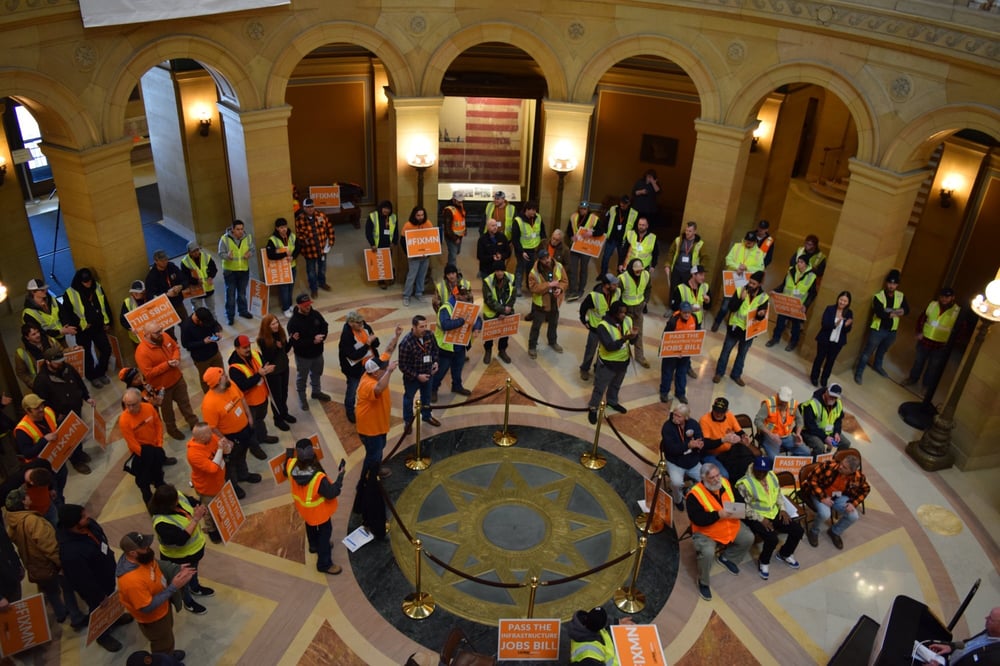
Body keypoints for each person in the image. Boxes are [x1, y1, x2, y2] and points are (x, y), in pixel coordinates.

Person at [5, 486, 87, 628]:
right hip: (47, 563)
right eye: (27, 496)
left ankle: (61, 614)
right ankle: (76, 617)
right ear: (24, 502)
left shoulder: (12, 521)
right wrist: (61, 563)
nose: (30, 497)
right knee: (66, 586)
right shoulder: (33, 521)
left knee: (51, 591)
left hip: (33, 564)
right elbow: (48, 545)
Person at [56, 504, 134, 652]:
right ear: (74, 524)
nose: (88, 517)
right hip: (95, 587)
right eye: (84, 517)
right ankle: (102, 635)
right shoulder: (71, 552)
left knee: (111, 599)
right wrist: (98, 596)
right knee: (98, 609)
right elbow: (82, 580)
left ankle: (115, 618)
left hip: (106, 574)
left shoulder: (89, 526)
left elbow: (100, 537)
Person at [116, 531, 193, 661]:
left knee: (167, 636)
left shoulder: (143, 557)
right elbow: (146, 607)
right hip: (154, 619)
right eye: (145, 548)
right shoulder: (131, 581)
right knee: (161, 643)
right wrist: (173, 587)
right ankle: (165, 660)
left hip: (163, 606)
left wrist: (175, 568)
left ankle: (169, 653)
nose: (149, 549)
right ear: (133, 553)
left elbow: (155, 564)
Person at [686, 463, 754, 602]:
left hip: (729, 524)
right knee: (707, 553)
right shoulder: (694, 495)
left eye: (718, 475)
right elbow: (697, 519)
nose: (717, 479)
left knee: (748, 538)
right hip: (706, 531)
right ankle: (703, 582)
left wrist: (741, 510)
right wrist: (718, 515)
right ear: (703, 479)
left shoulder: (726, 483)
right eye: (712, 478)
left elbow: (737, 500)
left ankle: (728, 558)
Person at [200, 367, 265, 500]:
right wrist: (225, 440)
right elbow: (212, 427)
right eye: (223, 375)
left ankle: (244, 475)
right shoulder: (209, 404)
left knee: (242, 455)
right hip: (230, 437)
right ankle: (233, 485)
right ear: (217, 382)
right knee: (230, 463)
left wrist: (249, 416)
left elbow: (242, 399)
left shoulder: (231, 385)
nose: (226, 376)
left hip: (244, 429)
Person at [148, 484, 214, 615]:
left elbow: (189, 500)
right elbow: (180, 539)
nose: (178, 500)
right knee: (183, 581)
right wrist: (196, 518)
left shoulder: (176, 495)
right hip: (179, 558)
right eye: (175, 500)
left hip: (194, 551)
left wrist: (199, 506)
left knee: (193, 572)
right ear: (167, 504)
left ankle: (195, 588)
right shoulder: (161, 522)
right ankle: (188, 602)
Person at [734, 456, 804, 580]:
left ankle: (785, 553)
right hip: (755, 516)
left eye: (764, 472)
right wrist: (761, 519)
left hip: (774, 512)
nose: (761, 474)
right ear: (754, 468)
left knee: (798, 530)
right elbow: (744, 507)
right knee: (772, 539)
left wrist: (782, 509)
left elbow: (777, 494)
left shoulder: (771, 476)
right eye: (758, 471)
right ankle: (764, 561)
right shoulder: (744, 483)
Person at [286, 438, 346, 575]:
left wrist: (289, 451)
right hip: (319, 512)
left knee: (310, 526)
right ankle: (324, 564)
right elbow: (332, 493)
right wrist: (341, 476)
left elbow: (287, 462)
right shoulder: (318, 477)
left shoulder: (290, 465)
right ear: (312, 453)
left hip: (304, 510)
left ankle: (313, 546)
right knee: (325, 534)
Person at [32, 346, 94, 474]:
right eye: (57, 361)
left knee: (77, 434)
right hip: (61, 415)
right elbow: (42, 402)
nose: (61, 363)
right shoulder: (42, 380)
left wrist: (86, 397)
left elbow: (79, 382)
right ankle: (76, 461)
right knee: (68, 439)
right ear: (48, 362)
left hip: (76, 407)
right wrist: (55, 414)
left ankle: (80, 452)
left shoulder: (67, 368)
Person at [135, 323, 199, 440]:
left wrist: (175, 358)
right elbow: (148, 373)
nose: (161, 333)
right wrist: (167, 365)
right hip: (161, 388)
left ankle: (193, 423)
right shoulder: (141, 352)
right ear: (147, 335)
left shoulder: (165, 336)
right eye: (157, 332)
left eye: (161, 330)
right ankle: (172, 430)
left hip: (177, 379)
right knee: (167, 412)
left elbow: (175, 347)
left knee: (185, 404)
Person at [713, 270, 769, 386]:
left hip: (748, 332)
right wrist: (740, 299)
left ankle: (736, 375)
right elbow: (731, 308)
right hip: (735, 327)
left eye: (754, 284)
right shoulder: (740, 290)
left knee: (742, 354)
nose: (750, 285)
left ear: (759, 284)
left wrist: (761, 314)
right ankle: (719, 373)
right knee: (725, 351)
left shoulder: (764, 297)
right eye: (750, 282)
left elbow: (760, 316)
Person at [801, 455, 869, 549]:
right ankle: (814, 531)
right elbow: (811, 480)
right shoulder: (828, 465)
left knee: (853, 516)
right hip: (819, 493)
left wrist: (853, 503)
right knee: (825, 514)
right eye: (841, 464)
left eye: (845, 467)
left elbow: (866, 489)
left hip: (838, 496)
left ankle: (834, 531)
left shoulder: (858, 477)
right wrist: (823, 497)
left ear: (851, 471)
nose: (840, 467)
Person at [855, 269, 909, 384]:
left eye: (894, 284)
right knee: (867, 352)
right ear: (886, 283)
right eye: (890, 283)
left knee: (882, 350)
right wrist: (896, 312)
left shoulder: (900, 296)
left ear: (897, 285)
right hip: (878, 329)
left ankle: (877, 366)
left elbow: (906, 310)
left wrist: (891, 313)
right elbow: (880, 313)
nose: (891, 286)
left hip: (892, 331)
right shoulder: (878, 296)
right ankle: (859, 372)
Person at [586, 301, 637, 424]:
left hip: (623, 361)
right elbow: (609, 346)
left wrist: (634, 336)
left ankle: (612, 402)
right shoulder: (603, 326)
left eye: (625, 312)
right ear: (614, 313)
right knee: (600, 388)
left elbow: (632, 342)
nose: (624, 315)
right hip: (607, 364)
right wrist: (624, 338)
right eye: (621, 313)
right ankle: (593, 408)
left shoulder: (628, 320)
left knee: (615, 385)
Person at [62, 267, 113, 387]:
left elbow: (104, 304)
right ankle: (92, 376)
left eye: (90, 281)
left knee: (106, 349)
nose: (88, 284)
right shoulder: (70, 293)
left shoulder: (97, 287)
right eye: (85, 282)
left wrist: (107, 321)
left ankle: (100, 372)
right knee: (87, 355)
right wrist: (78, 325)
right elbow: (67, 312)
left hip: (98, 326)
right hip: (83, 330)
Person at [14, 394, 70, 499]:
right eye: (36, 408)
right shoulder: (22, 430)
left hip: (57, 459)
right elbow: (27, 454)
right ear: (28, 411)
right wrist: (44, 440)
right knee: (54, 496)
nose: (41, 409)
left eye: (41, 405)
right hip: (42, 468)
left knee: (61, 487)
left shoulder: (48, 411)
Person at [905, 287, 960, 391]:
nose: (944, 299)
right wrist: (918, 332)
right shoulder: (933, 305)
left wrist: (952, 343)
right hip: (925, 340)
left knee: (933, 367)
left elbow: (960, 330)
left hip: (941, 345)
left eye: (947, 297)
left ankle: (926, 385)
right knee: (918, 362)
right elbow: (922, 319)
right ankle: (912, 379)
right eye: (942, 296)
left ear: (952, 298)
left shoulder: (956, 311)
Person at [120, 388, 170, 503]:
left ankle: (160, 486)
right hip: (141, 453)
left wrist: (159, 444)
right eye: (128, 405)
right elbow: (132, 443)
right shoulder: (124, 420)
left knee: (158, 472)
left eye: (133, 405)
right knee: (143, 479)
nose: (130, 408)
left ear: (140, 401)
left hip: (155, 447)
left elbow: (158, 425)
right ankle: (148, 498)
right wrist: (147, 455)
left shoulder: (148, 407)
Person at [228, 334, 279, 445]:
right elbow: (242, 386)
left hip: (262, 396)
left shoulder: (255, 354)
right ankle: (254, 447)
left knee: (260, 420)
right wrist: (259, 374)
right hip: (250, 403)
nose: (248, 349)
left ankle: (262, 436)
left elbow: (264, 365)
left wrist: (268, 369)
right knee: (250, 426)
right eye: (244, 348)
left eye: (248, 346)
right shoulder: (234, 368)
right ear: (237, 349)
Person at [711, 232, 766, 332]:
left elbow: (760, 268)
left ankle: (731, 323)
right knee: (725, 305)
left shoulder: (759, 253)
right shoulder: (737, 246)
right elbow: (728, 259)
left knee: (739, 304)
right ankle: (717, 321)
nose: (747, 243)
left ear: (755, 242)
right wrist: (737, 267)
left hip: (746, 284)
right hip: (732, 280)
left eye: (750, 242)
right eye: (746, 241)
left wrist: (747, 268)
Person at [186, 423, 229, 545]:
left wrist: (225, 447)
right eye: (209, 433)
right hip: (207, 487)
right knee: (209, 510)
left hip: (219, 481)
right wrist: (220, 449)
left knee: (221, 503)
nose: (213, 434)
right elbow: (212, 469)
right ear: (201, 437)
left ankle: (221, 524)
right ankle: (212, 530)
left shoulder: (211, 438)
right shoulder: (193, 454)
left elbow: (225, 453)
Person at [287, 293, 332, 410]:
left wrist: (322, 336)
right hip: (303, 357)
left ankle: (316, 392)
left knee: (317, 374)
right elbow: (296, 343)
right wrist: (313, 340)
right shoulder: (293, 323)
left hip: (318, 354)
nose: (308, 307)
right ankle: (302, 399)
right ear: (298, 305)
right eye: (305, 305)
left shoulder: (315, 314)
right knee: (302, 378)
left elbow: (324, 325)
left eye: (309, 304)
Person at [398, 315, 441, 434]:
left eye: (425, 326)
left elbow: (435, 350)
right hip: (412, 379)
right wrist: (417, 376)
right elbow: (403, 366)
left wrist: (436, 362)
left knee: (426, 397)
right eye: (421, 326)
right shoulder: (406, 343)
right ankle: (408, 421)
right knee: (408, 399)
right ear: (414, 327)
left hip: (428, 374)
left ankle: (426, 416)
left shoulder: (429, 335)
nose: (424, 329)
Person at [357, 357, 399, 477]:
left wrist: (396, 337)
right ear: (375, 372)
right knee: (373, 454)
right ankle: (367, 478)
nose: (385, 371)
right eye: (384, 370)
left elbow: (388, 351)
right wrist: (389, 371)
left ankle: (376, 468)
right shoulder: (367, 384)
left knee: (379, 449)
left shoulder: (373, 375)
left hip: (379, 425)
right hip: (370, 429)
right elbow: (379, 388)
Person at [766, 255, 817, 351]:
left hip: (798, 306)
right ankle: (775, 338)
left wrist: (805, 305)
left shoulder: (811, 276)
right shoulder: (791, 271)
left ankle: (793, 342)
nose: (799, 264)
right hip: (786, 302)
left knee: (796, 326)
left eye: (801, 262)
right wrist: (775, 291)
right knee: (780, 322)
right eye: (798, 262)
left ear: (806, 264)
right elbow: (783, 285)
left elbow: (812, 294)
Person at [432, 287, 475, 401]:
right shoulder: (446, 308)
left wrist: (477, 327)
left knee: (458, 368)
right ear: (456, 296)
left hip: (460, 345)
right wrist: (461, 321)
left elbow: (476, 319)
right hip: (446, 347)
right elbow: (445, 325)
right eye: (463, 295)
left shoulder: (465, 305)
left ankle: (457, 386)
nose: (466, 298)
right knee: (441, 371)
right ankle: (433, 389)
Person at [659, 401, 704, 508]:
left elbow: (700, 436)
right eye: (674, 414)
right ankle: (678, 499)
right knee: (676, 483)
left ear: (686, 417)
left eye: (679, 416)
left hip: (692, 461)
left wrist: (700, 444)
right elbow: (671, 449)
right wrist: (688, 445)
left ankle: (691, 492)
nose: (675, 418)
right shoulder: (667, 427)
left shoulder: (693, 424)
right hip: (675, 462)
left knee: (706, 479)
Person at [698, 396, 755, 481]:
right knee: (724, 475)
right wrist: (723, 440)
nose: (718, 414)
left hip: (728, 451)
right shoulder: (704, 420)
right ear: (712, 408)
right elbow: (706, 444)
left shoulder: (730, 415)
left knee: (744, 464)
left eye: (721, 412)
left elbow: (738, 430)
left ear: (726, 411)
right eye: (716, 411)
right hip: (711, 454)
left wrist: (744, 436)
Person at [338, 311, 379, 424]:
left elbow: (376, 343)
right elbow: (353, 355)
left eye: (362, 322)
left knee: (370, 386)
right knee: (352, 389)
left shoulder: (364, 326)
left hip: (369, 365)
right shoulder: (346, 335)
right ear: (351, 323)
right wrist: (367, 344)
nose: (362, 324)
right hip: (355, 369)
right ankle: (350, 410)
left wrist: (373, 341)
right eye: (358, 323)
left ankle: (369, 406)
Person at [527, 250, 568, 360]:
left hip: (554, 301)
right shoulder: (534, 272)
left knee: (553, 323)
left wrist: (560, 288)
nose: (547, 260)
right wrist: (548, 285)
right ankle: (532, 346)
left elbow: (564, 281)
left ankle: (552, 341)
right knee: (536, 326)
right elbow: (533, 288)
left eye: (548, 257)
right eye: (544, 259)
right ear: (539, 260)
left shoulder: (558, 266)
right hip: (541, 304)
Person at [257, 314, 295, 431]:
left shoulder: (280, 333)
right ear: (267, 326)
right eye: (273, 324)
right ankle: (278, 419)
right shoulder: (262, 340)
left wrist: (292, 340)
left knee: (284, 392)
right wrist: (276, 347)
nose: (276, 325)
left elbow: (285, 350)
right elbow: (268, 358)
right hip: (273, 372)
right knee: (276, 396)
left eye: (277, 322)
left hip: (284, 367)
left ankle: (284, 413)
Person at [578, 274, 620, 380]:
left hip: (609, 328)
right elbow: (583, 308)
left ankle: (598, 368)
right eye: (614, 284)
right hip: (595, 328)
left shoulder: (617, 292)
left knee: (604, 350)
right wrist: (584, 320)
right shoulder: (593, 296)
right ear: (606, 285)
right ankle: (584, 369)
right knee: (590, 350)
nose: (616, 286)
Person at [810, 291, 853, 388]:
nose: (842, 302)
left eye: (845, 301)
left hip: (837, 342)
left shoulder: (849, 313)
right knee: (819, 358)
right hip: (825, 339)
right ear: (838, 299)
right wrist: (836, 324)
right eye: (841, 300)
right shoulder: (830, 309)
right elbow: (824, 324)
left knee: (830, 361)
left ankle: (824, 379)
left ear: (848, 302)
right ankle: (814, 377)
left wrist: (846, 325)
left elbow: (848, 330)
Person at [928, 607, 1000, 663]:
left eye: (990, 618)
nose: (986, 618)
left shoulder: (995, 658)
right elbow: (968, 643)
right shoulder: (989, 631)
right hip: (947, 658)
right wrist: (951, 647)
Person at [754, 386, 811, 458]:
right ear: (778, 395)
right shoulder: (769, 404)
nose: (784, 403)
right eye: (782, 400)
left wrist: (798, 434)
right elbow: (757, 420)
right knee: (775, 459)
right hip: (771, 437)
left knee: (806, 452)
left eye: (785, 401)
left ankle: (790, 463)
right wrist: (770, 434)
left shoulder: (793, 404)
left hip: (787, 436)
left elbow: (799, 419)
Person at [659, 302, 699, 404]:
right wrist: (673, 351)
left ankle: (680, 393)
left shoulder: (694, 318)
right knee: (667, 373)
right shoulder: (673, 321)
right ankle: (664, 392)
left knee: (681, 373)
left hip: (685, 353)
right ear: (680, 312)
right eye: (685, 312)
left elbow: (697, 334)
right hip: (672, 353)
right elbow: (665, 337)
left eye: (689, 312)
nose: (687, 315)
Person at [295, 198, 335, 298]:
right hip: (309, 252)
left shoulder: (321, 215)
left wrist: (330, 241)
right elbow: (298, 235)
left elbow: (330, 228)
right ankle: (314, 289)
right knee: (311, 272)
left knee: (322, 269)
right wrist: (305, 239)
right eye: (308, 207)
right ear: (304, 208)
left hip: (322, 249)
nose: (310, 209)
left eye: (312, 206)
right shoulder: (299, 220)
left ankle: (322, 283)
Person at [218, 219, 255, 324]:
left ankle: (243, 311)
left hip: (243, 270)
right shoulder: (224, 239)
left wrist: (249, 254)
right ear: (232, 229)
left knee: (242, 293)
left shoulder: (248, 237)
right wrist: (227, 256)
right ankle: (230, 315)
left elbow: (252, 249)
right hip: (230, 271)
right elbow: (220, 253)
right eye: (238, 229)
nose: (240, 231)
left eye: (242, 229)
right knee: (230, 295)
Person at [179, 306, 223, 393]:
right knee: (206, 380)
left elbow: (215, 325)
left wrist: (217, 331)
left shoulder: (206, 317)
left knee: (220, 373)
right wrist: (203, 342)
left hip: (214, 352)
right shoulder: (186, 326)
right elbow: (186, 344)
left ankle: (222, 389)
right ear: (197, 320)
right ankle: (210, 396)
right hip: (201, 359)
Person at [565, 201, 602, 301]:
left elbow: (601, 231)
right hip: (575, 246)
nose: (582, 210)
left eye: (584, 209)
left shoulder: (594, 218)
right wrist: (571, 236)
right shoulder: (573, 216)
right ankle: (572, 289)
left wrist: (592, 233)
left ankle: (580, 289)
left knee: (583, 269)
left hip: (586, 248)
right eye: (581, 208)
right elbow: (568, 230)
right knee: (573, 269)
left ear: (588, 209)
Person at [800, 383, 852, 454]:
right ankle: (814, 463)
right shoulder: (812, 404)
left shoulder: (838, 403)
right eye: (831, 396)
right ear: (826, 392)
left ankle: (835, 462)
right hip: (811, 432)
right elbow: (810, 426)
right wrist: (825, 437)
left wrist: (837, 432)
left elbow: (838, 420)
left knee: (845, 443)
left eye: (835, 397)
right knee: (820, 447)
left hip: (828, 430)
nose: (833, 398)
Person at [21, 278, 75, 346]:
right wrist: (59, 331)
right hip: (48, 343)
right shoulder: (28, 313)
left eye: (46, 289)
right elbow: (38, 332)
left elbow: (62, 312)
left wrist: (65, 325)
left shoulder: (51, 299)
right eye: (42, 290)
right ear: (33, 292)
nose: (45, 291)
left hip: (63, 336)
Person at [481, 261, 516, 365]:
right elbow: (489, 300)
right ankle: (488, 351)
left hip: (506, 310)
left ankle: (502, 351)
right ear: (494, 271)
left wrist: (508, 308)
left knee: (505, 332)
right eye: (497, 270)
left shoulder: (511, 278)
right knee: (489, 334)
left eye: (501, 270)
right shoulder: (488, 281)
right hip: (492, 311)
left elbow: (513, 295)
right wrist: (502, 310)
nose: (499, 273)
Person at [145, 250, 189, 330]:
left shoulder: (171, 267)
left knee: (186, 325)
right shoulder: (152, 277)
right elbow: (150, 296)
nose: (165, 262)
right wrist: (166, 294)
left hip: (178, 303)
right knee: (169, 331)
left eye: (166, 259)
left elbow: (185, 279)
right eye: (162, 260)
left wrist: (181, 286)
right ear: (156, 261)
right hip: (164, 308)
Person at [619, 258, 651, 368]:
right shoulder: (622, 279)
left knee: (639, 334)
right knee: (624, 334)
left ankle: (640, 357)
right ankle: (623, 356)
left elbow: (648, 289)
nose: (639, 272)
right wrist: (621, 311)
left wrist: (645, 301)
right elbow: (617, 295)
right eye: (636, 270)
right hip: (626, 312)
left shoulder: (646, 275)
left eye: (640, 270)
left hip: (638, 310)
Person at [400, 206, 434, 306]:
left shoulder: (428, 223)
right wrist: (409, 253)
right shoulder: (408, 225)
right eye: (418, 215)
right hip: (414, 257)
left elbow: (432, 237)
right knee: (411, 276)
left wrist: (430, 251)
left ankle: (419, 293)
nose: (420, 217)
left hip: (425, 256)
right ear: (414, 215)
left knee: (422, 275)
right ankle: (406, 295)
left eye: (422, 215)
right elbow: (402, 241)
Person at [512, 201, 546, 295]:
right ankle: (518, 287)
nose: (534, 213)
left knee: (532, 269)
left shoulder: (538, 217)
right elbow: (515, 239)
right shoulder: (518, 221)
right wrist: (521, 251)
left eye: (535, 210)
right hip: (523, 250)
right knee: (520, 268)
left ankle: (529, 286)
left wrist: (543, 244)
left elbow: (542, 231)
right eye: (532, 210)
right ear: (527, 210)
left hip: (535, 249)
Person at [266, 217, 299, 315]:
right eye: (281, 227)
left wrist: (293, 256)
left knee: (291, 287)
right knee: (284, 289)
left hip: (292, 266)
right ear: (277, 228)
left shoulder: (292, 236)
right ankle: (285, 308)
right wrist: (284, 254)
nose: (284, 229)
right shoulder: (272, 240)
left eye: (285, 227)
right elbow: (270, 255)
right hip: (281, 269)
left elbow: (298, 248)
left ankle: (289, 305)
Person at [15, 322, 60, 392]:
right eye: (34, 334)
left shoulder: (50, 340)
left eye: (38, 332)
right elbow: (21, 373)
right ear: (27, 337)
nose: (38, 335)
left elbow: (62, 351)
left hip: (59, 378)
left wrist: (72, 349)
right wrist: (34, 384)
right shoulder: (21, 352)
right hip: (42, 386)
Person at [600, 195, 637, 277]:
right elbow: (606, 221)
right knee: (606, 257)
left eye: (625, 203)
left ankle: (620, 276)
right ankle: (603, 274)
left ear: (629, 203)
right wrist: (604, 232)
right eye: (621, 202)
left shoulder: (634, 213)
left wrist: (631, 240)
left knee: (622, 259)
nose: (622, 205)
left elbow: (635, 228)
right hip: (612, 237)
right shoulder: (613, 209)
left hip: (623, 240)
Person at [366, 200, 398, 289]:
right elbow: (368, 232)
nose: (386, 211)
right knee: (379, 263)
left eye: (388, 209)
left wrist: (394, 242)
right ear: (381, 208)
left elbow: (395, 230)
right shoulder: (373, 216)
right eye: (384, 208)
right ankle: (381, 281)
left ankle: (390, 276)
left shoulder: (393, 217)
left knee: (388, 261)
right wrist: (372, 244)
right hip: (377, 245)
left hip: (389, 245)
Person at [664, 221, 705, 289]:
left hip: (689, 272)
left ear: (695, 232)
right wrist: (668, 265)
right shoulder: (678, 240)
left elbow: (705, 257)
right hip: (676, 270)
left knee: (686, 290)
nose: (687, 233)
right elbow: (671, 252)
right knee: (674, 289)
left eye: (690, 231)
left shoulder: (700, 243)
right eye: (686, 230)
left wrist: (699, 271)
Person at [180, 241, 218, 313]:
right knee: (198, 312)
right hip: (195, 291)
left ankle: (213, 322)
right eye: (194, 251)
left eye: (197, 250)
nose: (196, 252)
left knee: (212, 310)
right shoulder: (185, 262)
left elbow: (214, 269)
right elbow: (185, 277)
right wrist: (196, 281)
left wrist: (210, 277)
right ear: (189, 252)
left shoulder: (206, 257)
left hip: (208, 288)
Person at [441, 192, 467, 268]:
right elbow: (447, 227)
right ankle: (452, 271)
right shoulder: (448, 210)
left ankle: (449, 265)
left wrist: (465, 229)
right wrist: (454, 238)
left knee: (456, 252)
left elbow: (462, 218)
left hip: (460, 236)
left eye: (462, 201)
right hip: (451, 237)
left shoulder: (460, 206)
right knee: (453, 255)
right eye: (459, 201)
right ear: (453, 200)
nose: (460, 202)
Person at [120, 280, 149, 346]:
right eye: (134, 292)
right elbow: (122, 320)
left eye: (138, 292)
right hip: (137, 339)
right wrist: (130, 328)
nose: (135, 294)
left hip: (151, 335)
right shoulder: (127, 302)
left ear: (144, 292)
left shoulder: (148, 299)